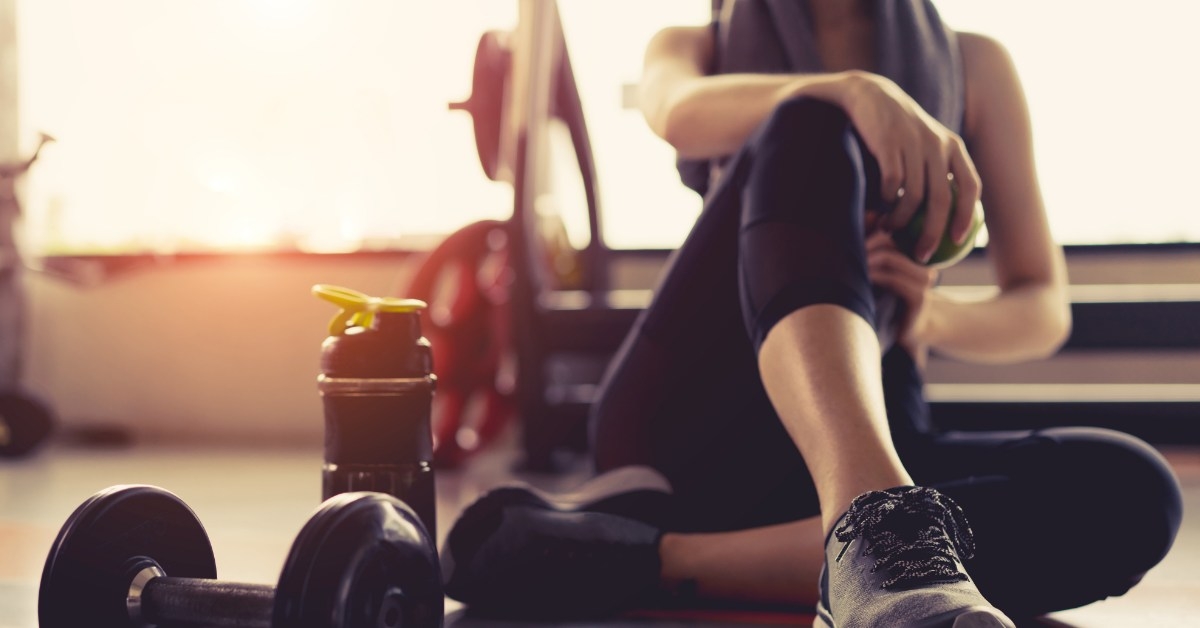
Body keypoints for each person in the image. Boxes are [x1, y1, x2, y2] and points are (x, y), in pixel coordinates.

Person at [438, 1, 1183, 626]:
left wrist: (933, 321)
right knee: (809, 119)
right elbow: (677, 113)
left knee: (1133, 491)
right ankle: (878, 525)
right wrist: (853, 91)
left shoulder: (975, 65)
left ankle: (650, 556)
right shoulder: (696, 44)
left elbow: (1041, 306)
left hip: (882, 418)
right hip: (692, 421)